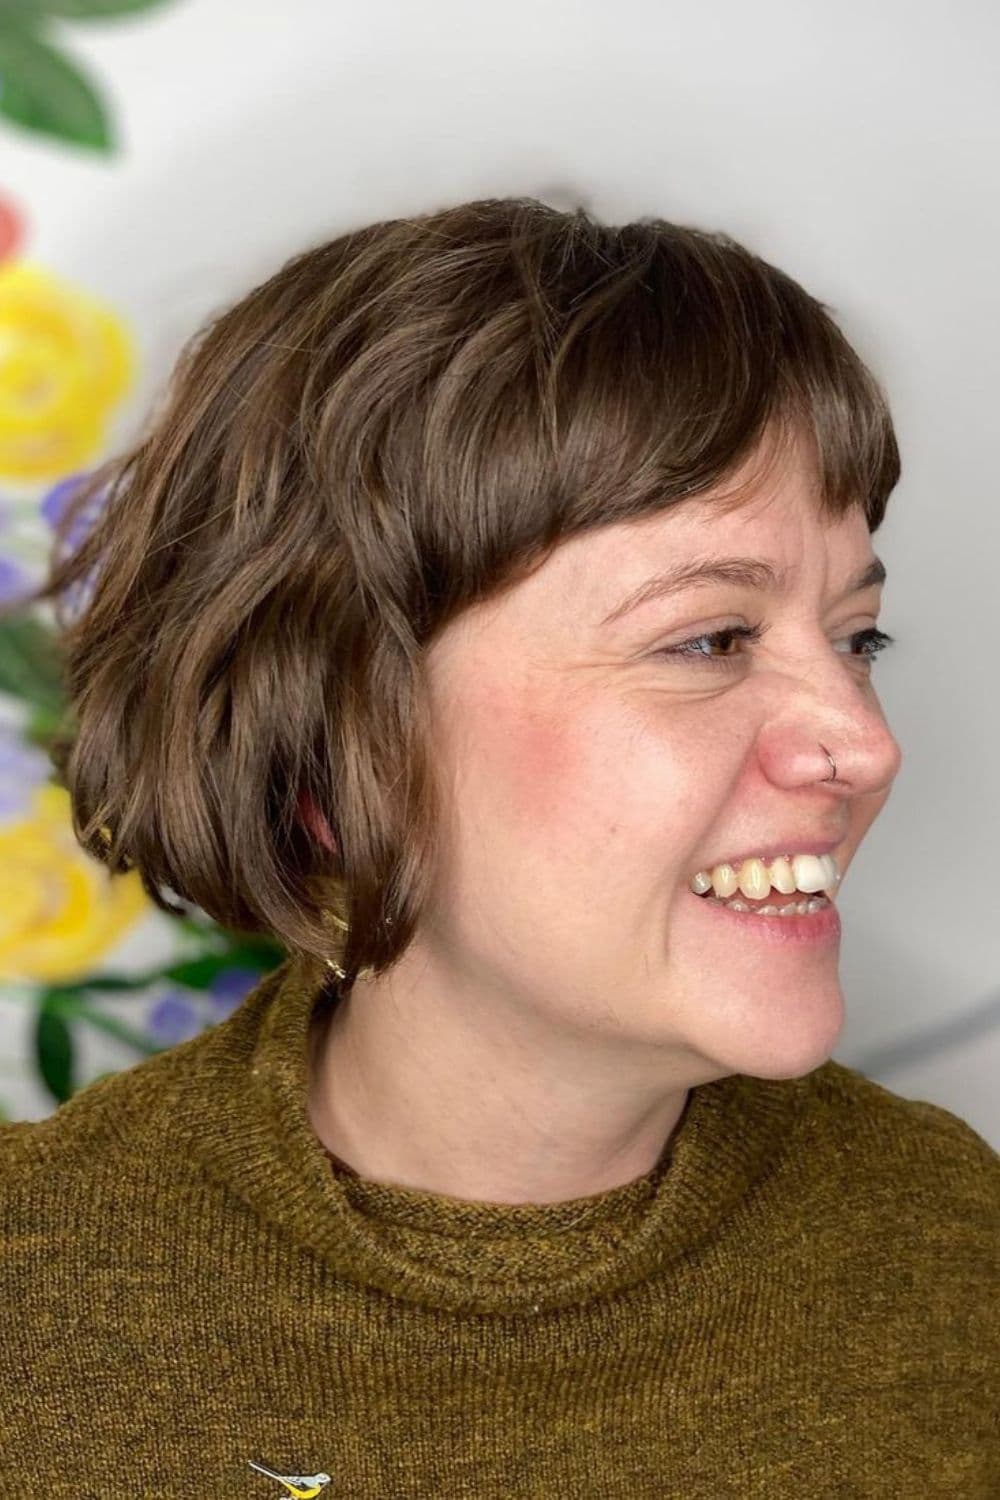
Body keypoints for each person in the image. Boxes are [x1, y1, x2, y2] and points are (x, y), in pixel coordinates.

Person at [1, 196, 997, 1496]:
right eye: (710, 641)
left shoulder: (950, 1251)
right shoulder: (36, 1304)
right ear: (342, 757)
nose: (864, 747)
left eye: (855, 640)